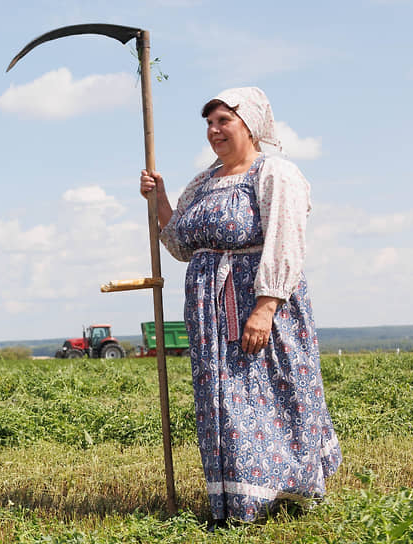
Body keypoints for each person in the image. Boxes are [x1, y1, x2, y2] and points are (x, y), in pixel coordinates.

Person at [139, 87, 341, 523]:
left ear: (249, 124)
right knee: (225, 402)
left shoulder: (275, 173)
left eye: (223, 121)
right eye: (209, 124)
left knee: (274, 393)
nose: (213, 131)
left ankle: (291, 492)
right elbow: (178, 245)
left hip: (261, 305)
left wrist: (264, 308)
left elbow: (286, 241)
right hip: (210, 318)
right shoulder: (204, 182)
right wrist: (160, 200)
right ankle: (240, 502)